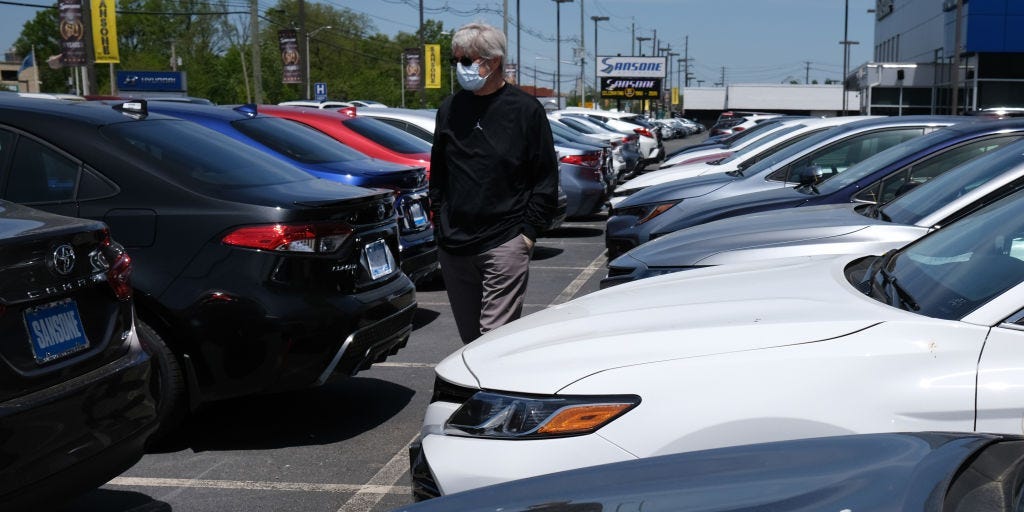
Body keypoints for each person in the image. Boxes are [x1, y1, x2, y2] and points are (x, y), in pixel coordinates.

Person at [429, 22, 559, 343]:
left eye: (466, 61)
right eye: (455, 61)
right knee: (471, 341)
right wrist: (439, 223)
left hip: (504, 241)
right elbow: (439, 172)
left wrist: (527, 235)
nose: (460, 68)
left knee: (493, 340)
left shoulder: (526, 110)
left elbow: (544, 176)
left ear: (493, 61)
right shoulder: (450, 109)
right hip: (455, 245)